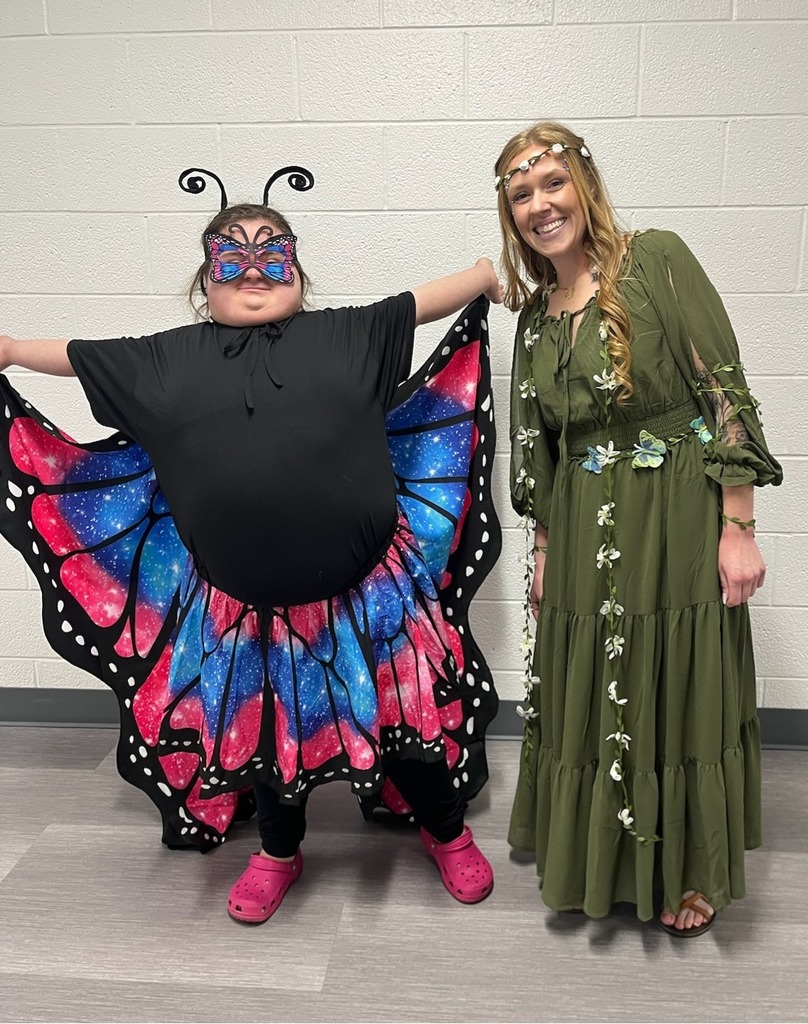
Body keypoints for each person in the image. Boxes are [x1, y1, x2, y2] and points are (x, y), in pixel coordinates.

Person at [0, 168, 503, 924]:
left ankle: (445, 829)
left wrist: (486, 276)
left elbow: (421, 301)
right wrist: (7, 346)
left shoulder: (351, 333)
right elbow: (76, 353)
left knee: (404, 723)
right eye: (231, 259)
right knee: (266, 742)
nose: (255, 270)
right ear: (206, 282)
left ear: (300, 270)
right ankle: (278, 849)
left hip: (372, 596)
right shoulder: (163, 358)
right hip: (248, 612)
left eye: (274, 254)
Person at [494, 122, 782, 935]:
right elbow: (535, 443)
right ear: (510, 214)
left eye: (552, 183)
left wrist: (738, 525)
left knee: (679, 679)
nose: (541, 205)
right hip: (585, 521)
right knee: (590, 678)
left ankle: (687, 869)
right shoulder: (536, 318)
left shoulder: (655, 260)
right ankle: (604, 859)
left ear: (583, 183)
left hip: (679, 509)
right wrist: (544, 549)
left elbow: (723, 387)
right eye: (522, 194)